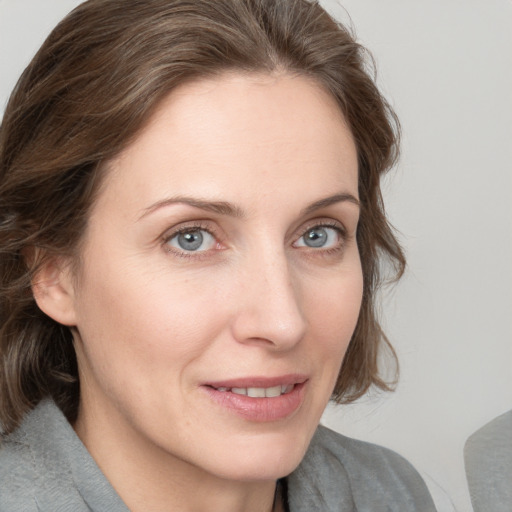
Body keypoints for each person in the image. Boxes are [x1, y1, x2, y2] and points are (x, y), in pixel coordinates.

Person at [0, 0, 437, 510]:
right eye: (191, 238)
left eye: (318, 234)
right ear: (52, 270)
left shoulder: (387, 493)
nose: (282, 321)